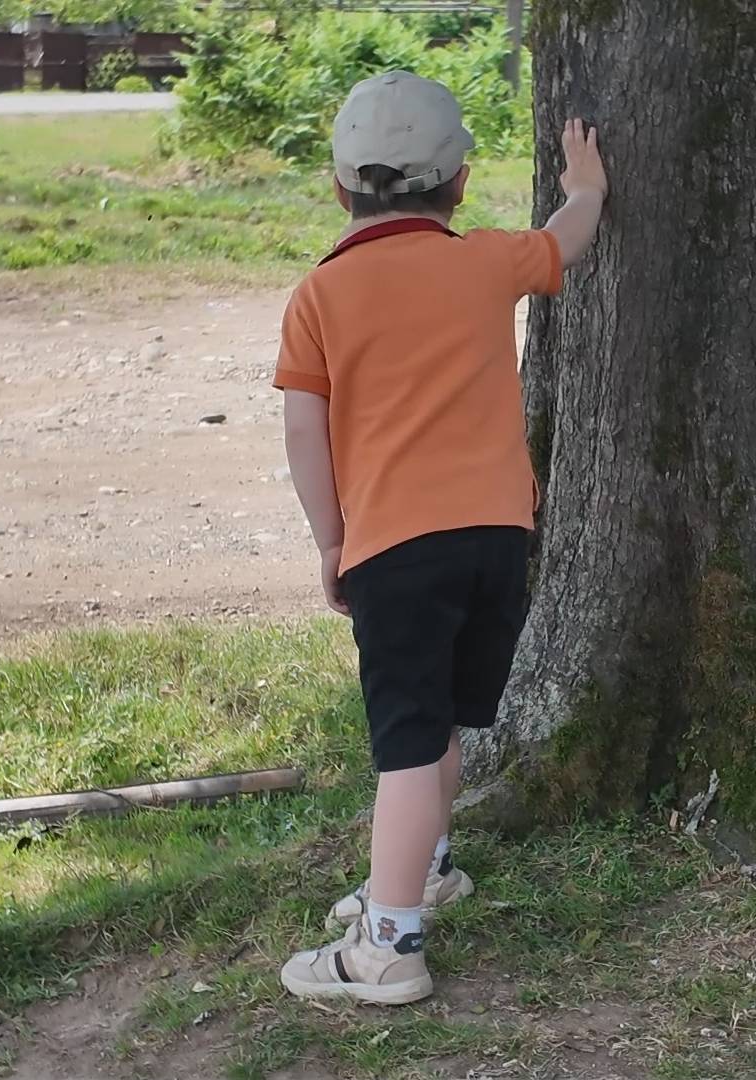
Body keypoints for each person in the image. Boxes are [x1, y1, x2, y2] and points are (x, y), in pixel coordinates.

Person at [273, 70, 607, 1005]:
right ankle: (421, 873)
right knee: (444, 724)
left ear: (339, 188)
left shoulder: (319, 296)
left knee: (408, 749)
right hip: (498, 539)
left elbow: (305, 430)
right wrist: (587, 190)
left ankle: (388, 948)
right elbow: (563, 246)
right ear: (459, 184)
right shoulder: (484, 261)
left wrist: (330, 541)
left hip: (396, 548)